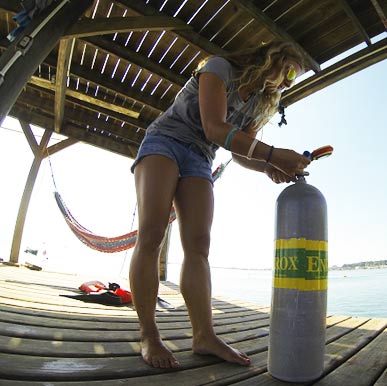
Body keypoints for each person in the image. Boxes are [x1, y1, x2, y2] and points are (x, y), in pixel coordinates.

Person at [129, 40, 311, 369]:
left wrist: (269, 166)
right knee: (152, 234)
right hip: (166, 140)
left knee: (198, 245)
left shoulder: (259, 103)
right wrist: (272, 153)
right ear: (272, 58)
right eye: (287, 72)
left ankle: (204, 335)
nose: (286, 83)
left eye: (292, 80)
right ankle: (149, 334)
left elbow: (241, 151)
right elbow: (215, 128)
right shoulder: (219, 69)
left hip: (200, 157)